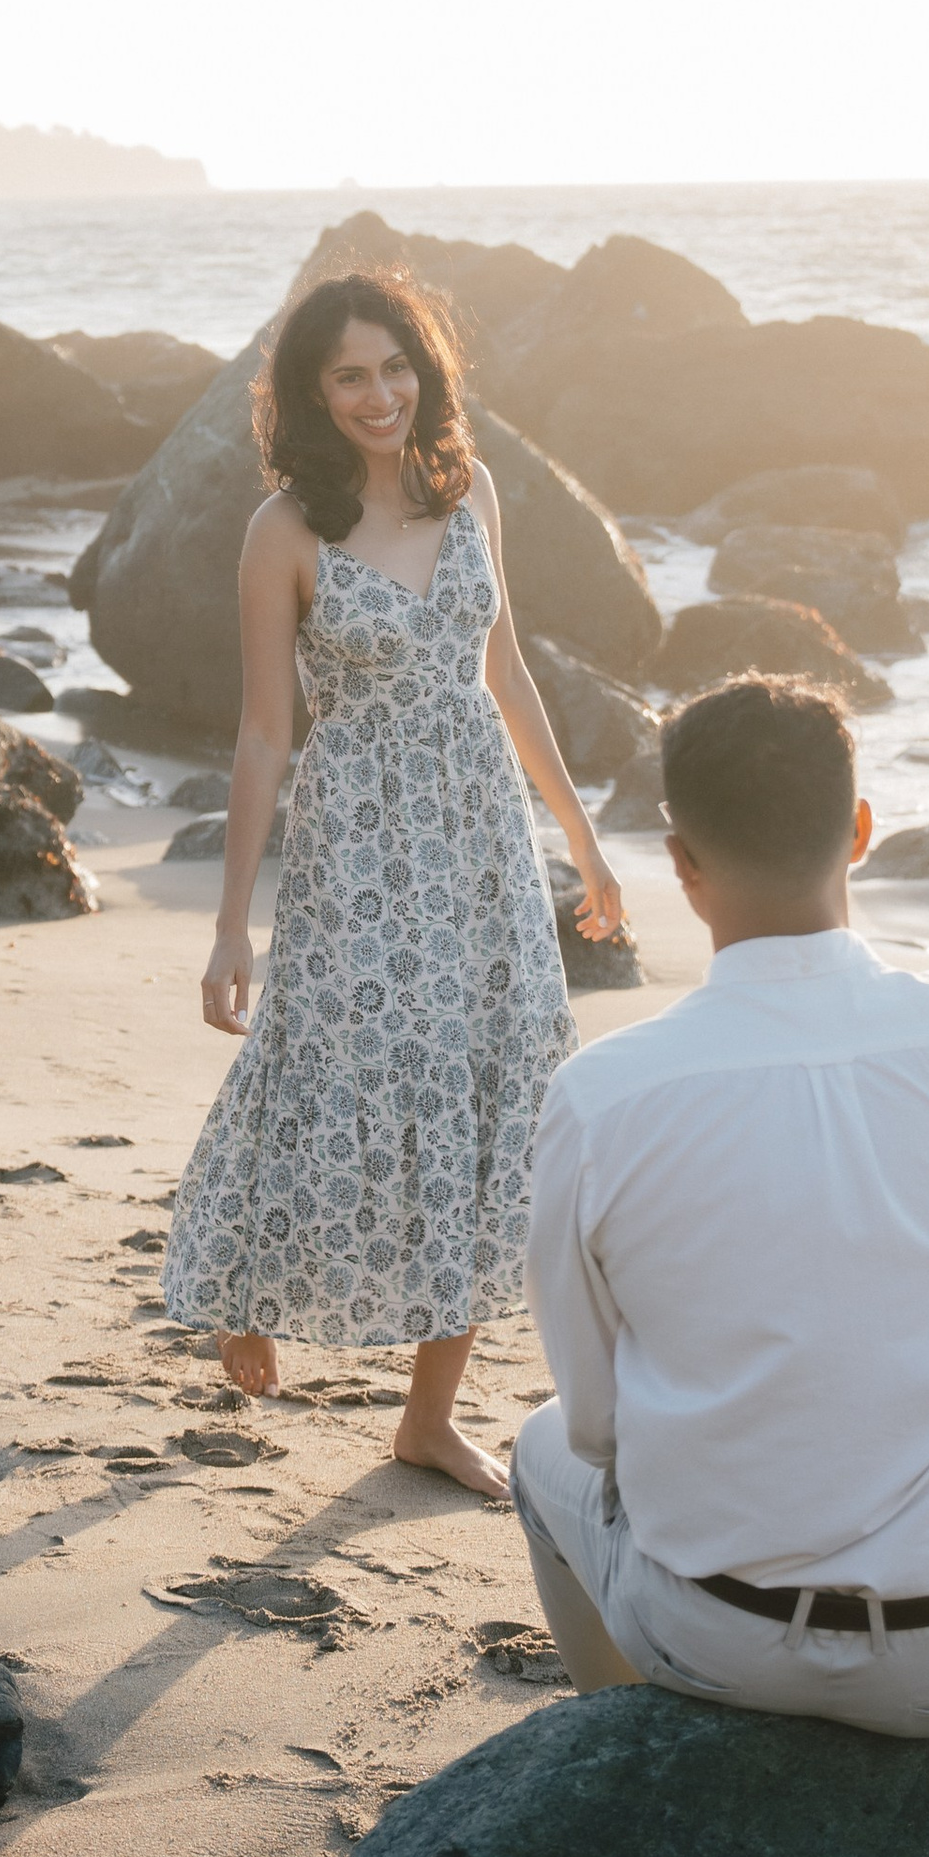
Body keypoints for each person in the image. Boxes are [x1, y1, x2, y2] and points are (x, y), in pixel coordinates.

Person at [512, 672, 929, 1730]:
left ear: (683, 864)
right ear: (863, 829)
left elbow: (601, 1429)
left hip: (717, 1636)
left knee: (541, 1448)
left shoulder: (603, 1098)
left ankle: (629, 1745)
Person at [163, 267, 625, 1496]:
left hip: (478, 839)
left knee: (495, 1086)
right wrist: (229, 929)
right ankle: (244, 1284)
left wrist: (578, 836)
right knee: (327, 1064)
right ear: (313, 395)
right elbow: (265, 734)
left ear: (427, 369)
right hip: (358, 841)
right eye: (351, 376)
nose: (381, 395)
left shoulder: (465, 488)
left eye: (397, 367)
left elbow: (505, 671)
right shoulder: (284, 531)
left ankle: (429, 1415)